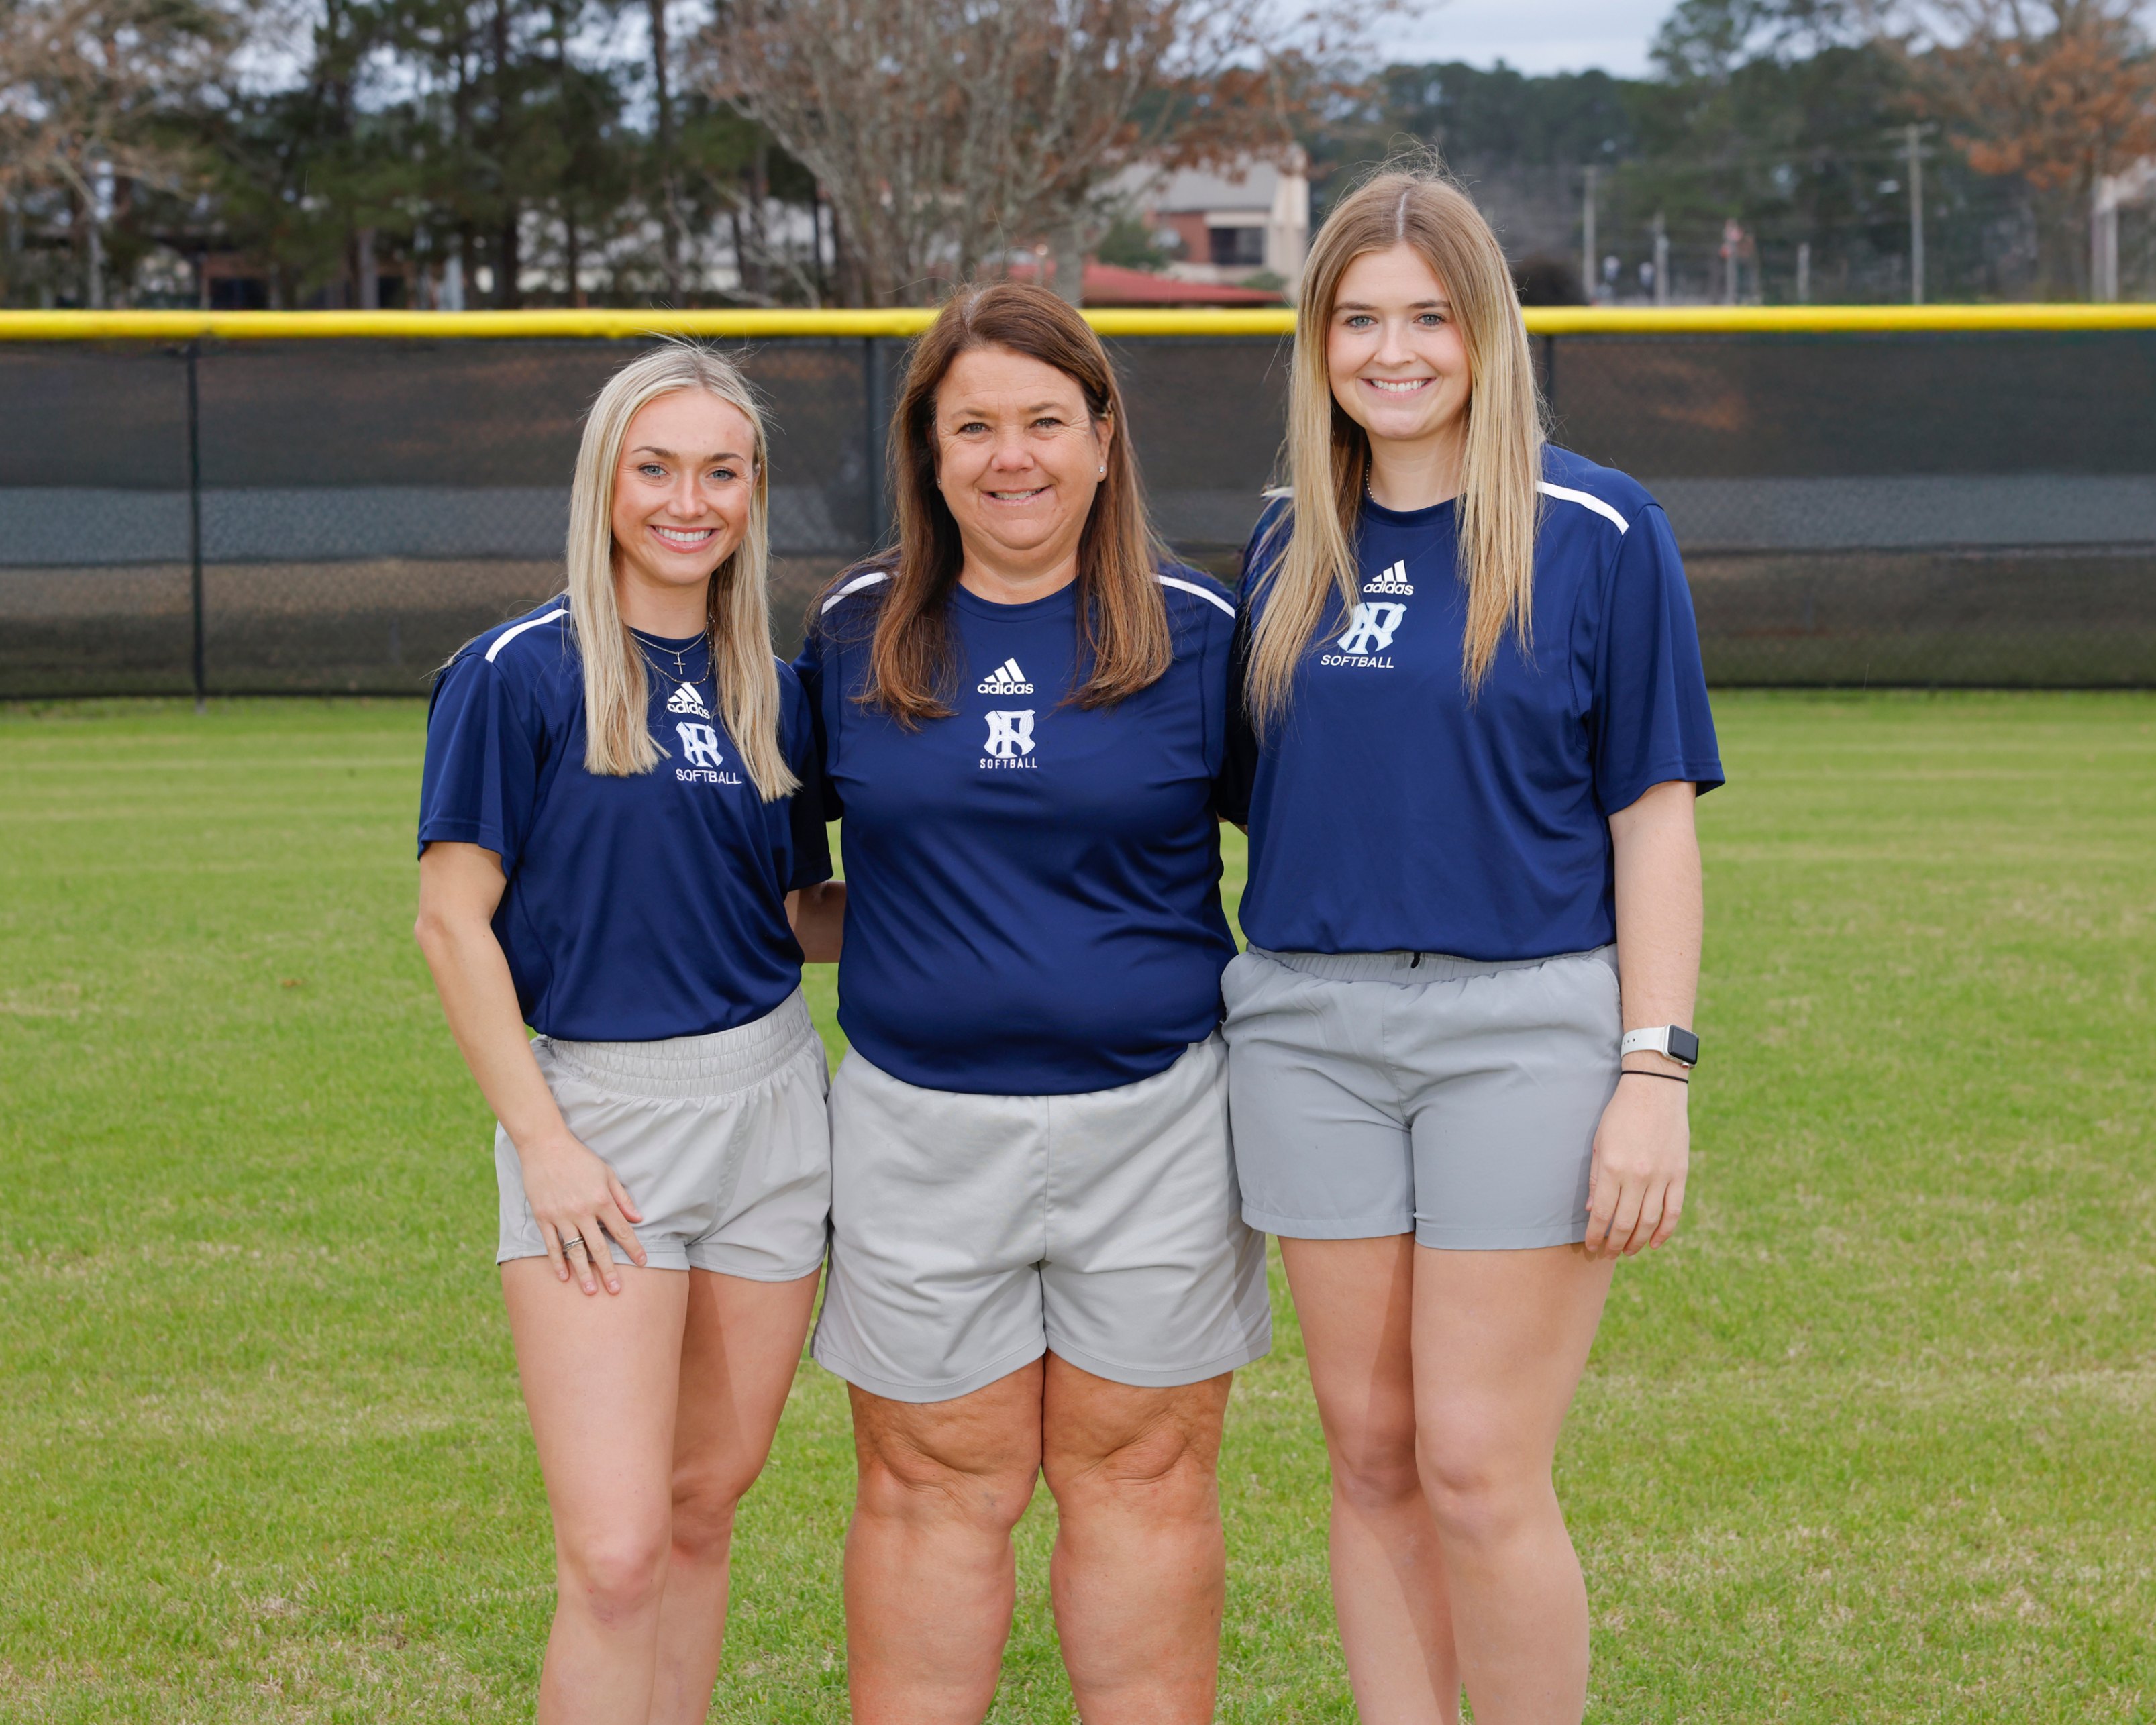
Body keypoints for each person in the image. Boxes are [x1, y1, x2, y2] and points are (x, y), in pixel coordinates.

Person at [1221, 164, 1724, 1724]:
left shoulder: (1594, 527)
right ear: (1314, 343)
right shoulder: (1281, 545)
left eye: (1426, 317)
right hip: (1305, 1029)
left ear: (1483, 329)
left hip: (1523, 1028)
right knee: (1368, 1453)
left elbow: (1652, 818)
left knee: (1476, 1464)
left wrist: (1653, 1068)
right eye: (1357, 319)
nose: (1391, 351)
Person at [791, 282, 1270, 1725]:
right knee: (938, 1482)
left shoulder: (1198, 632)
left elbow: (1310, 867)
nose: (1013, 457)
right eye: (975, 427)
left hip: (1157, 1126)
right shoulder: (851, 633)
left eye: (1045, 421)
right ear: (927, 455)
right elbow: (770, 883)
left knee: (1139, 1472)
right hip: (917, 1128)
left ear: (1105, 436)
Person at [413, 344, 839, 1725]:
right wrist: (545, 1143)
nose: (686, 499)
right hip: (602, 1122)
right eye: (655, 467)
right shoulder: (516, 674)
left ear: (752, 489)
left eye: (719, 470)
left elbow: (783, 909)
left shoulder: (776, 686)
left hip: (776, 1107)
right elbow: (450, 922)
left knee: (703, 1506)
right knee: (609, 1553)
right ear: (605, 480)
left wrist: (999, 886)